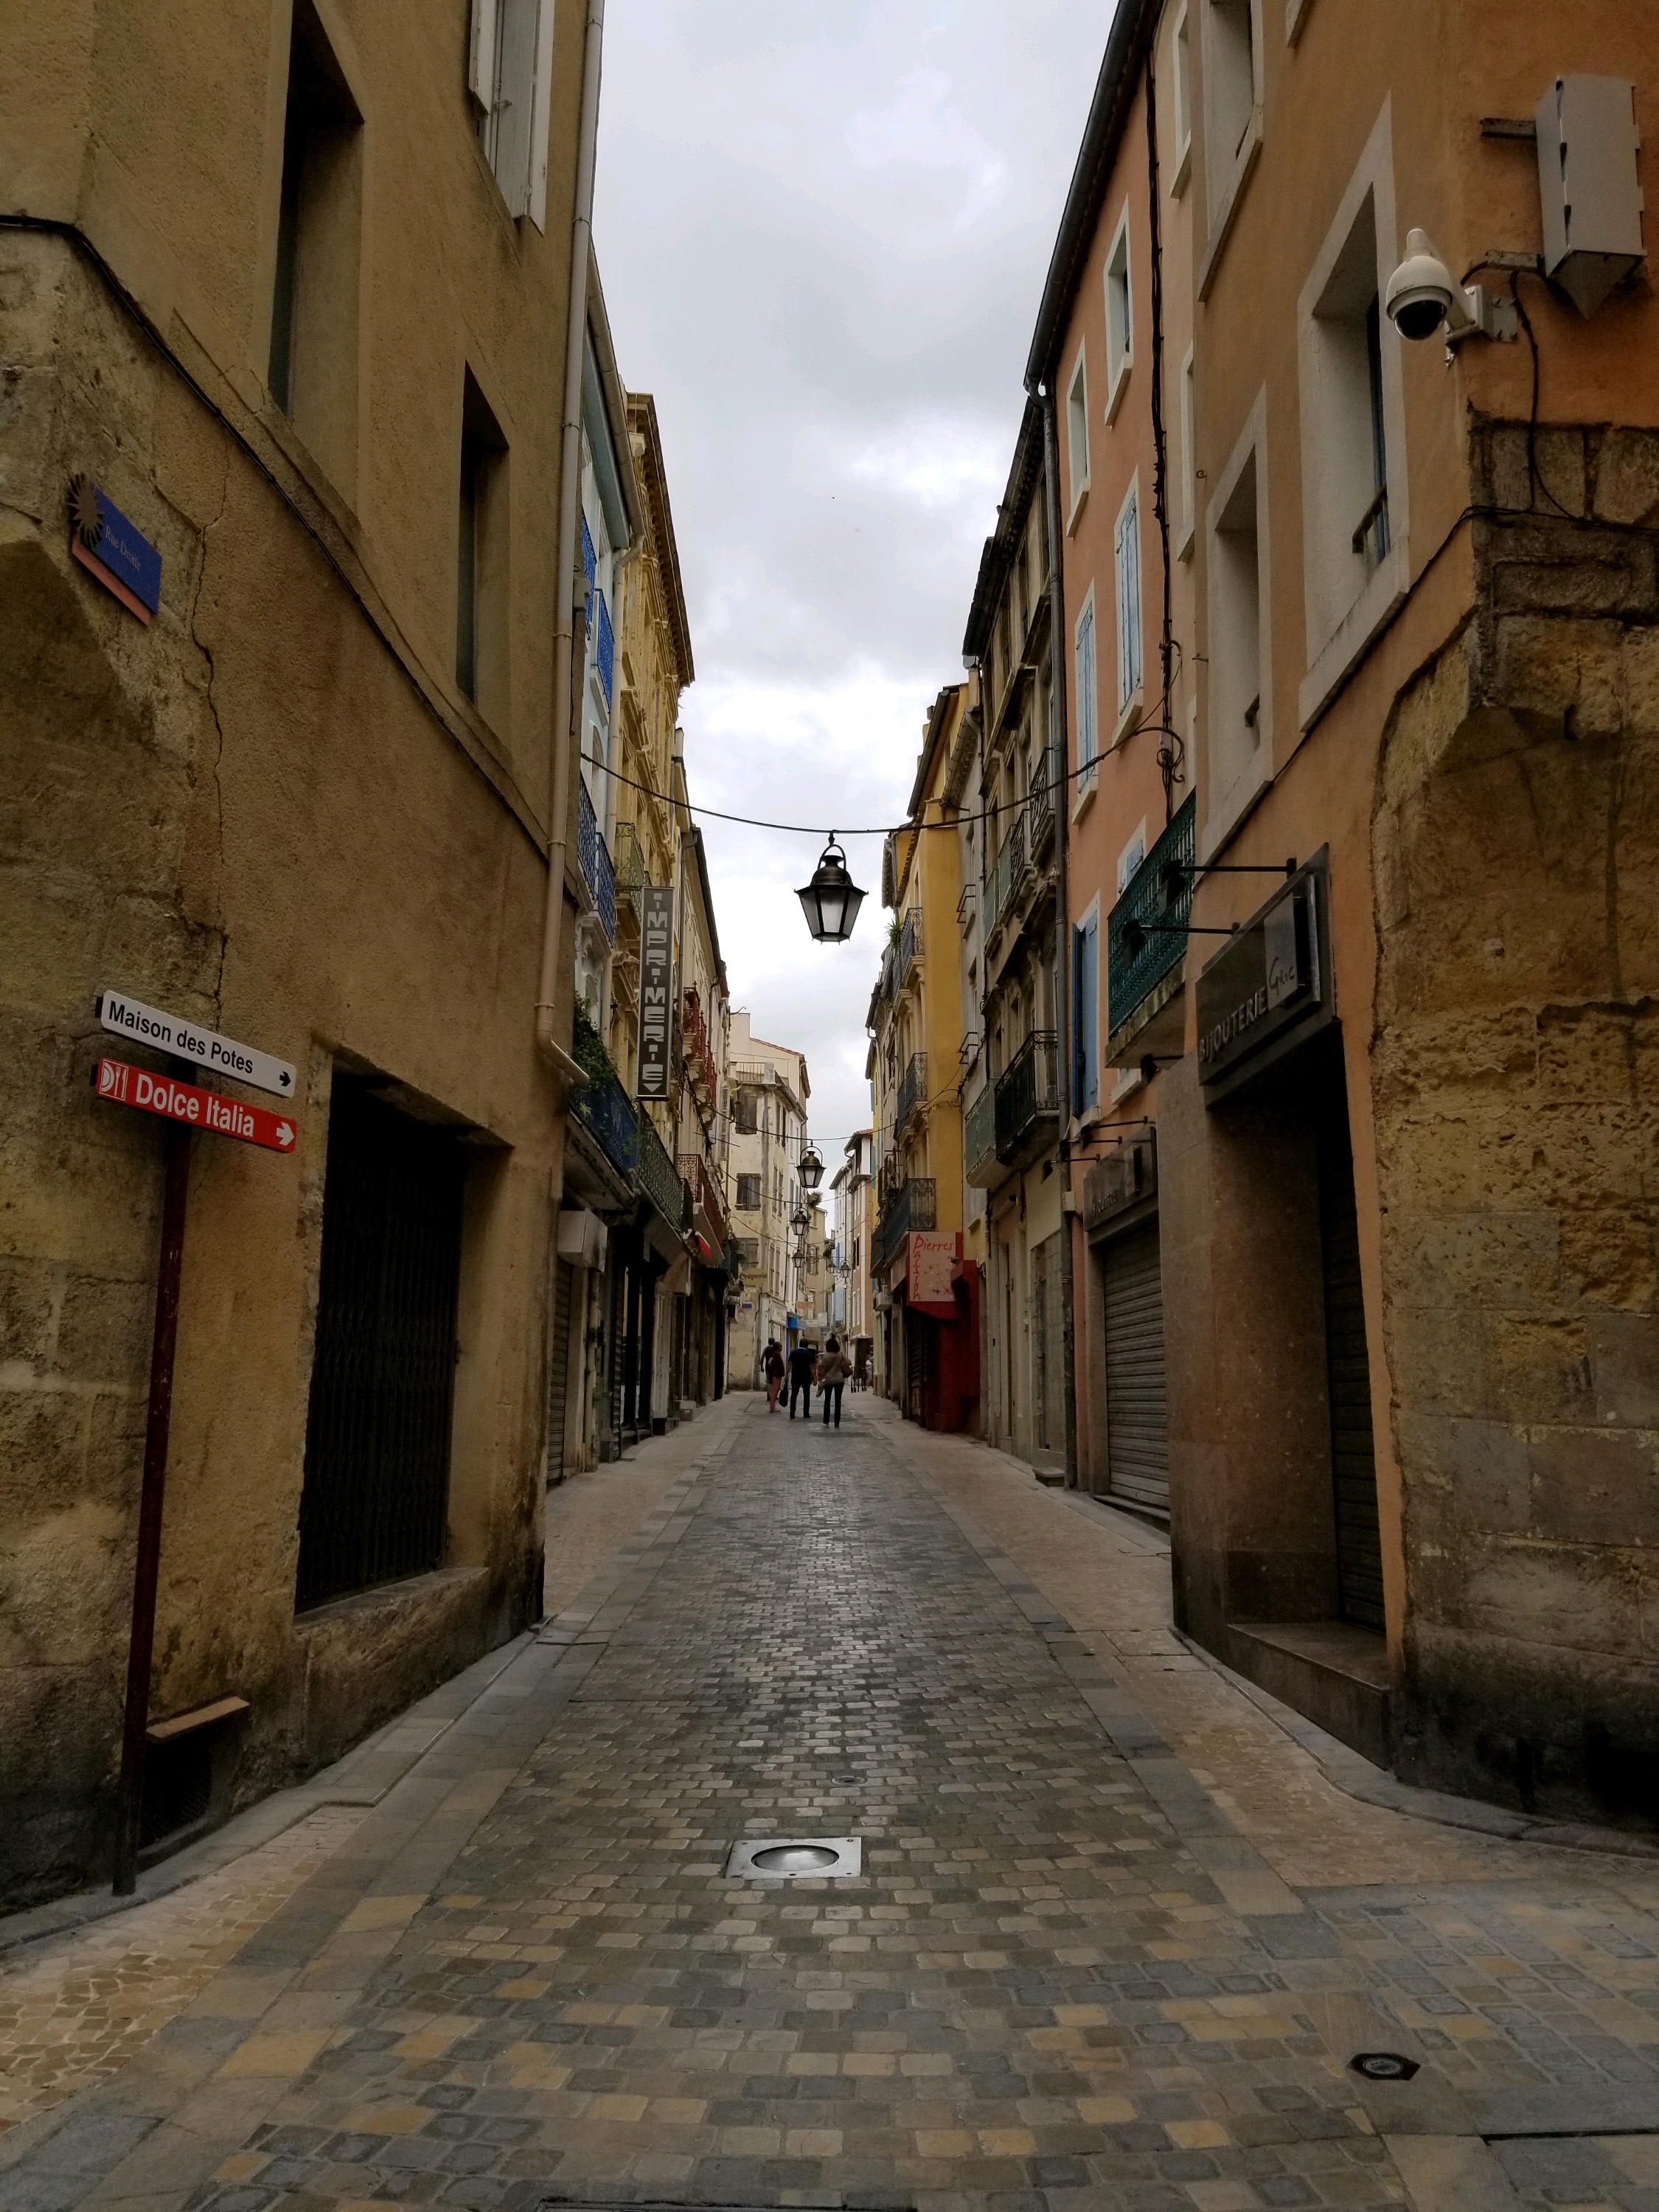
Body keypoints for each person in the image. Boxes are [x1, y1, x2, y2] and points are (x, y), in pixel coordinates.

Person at [818, 1335, 851, 1428]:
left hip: (828, 1381)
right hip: (839, 1380)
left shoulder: (825, 1357)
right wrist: (842, 1354)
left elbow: (823, 1370)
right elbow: (849, 1362)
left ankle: (826, 1420)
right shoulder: (840, 1356)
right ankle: (837, 1422)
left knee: (827, 1400)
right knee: (838, 1401)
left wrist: (821, 1380)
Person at [787, 1338, 817, 1419]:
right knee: (806, 1394)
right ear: (807, 1345)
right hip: (806, 1377)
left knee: (794, 1394)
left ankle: (792, 1412)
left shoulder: (793, 1352)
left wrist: (786, 1375)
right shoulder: (809, 1354)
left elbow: (789, 1365)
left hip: (795, 1376)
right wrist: (815, 1378)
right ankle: (806, 1413)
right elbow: (811, 1367)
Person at [763, 1339, 785, 1413]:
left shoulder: (777, 1354)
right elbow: (770, 1362)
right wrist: (774, 1369)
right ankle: (772, 1407)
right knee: (774, 1391)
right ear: (778, 1347)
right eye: (781, 1346)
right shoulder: (775, 1354)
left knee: (776, 1391)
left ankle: (773, 1407)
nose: (782, 1347)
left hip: (778, 1375)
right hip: (776, 1375)